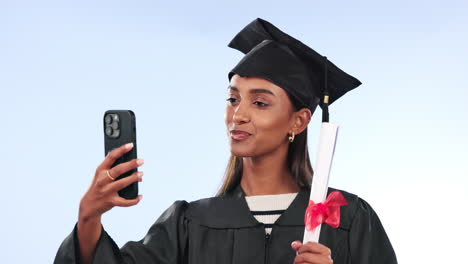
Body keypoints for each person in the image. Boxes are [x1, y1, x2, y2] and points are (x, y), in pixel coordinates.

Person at [54, 18, 397, 264]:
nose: (239, 115)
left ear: (299, 120)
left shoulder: (348, 219)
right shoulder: (189, 224)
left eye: (259, 102)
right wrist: (89, 218)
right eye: (233, 99)